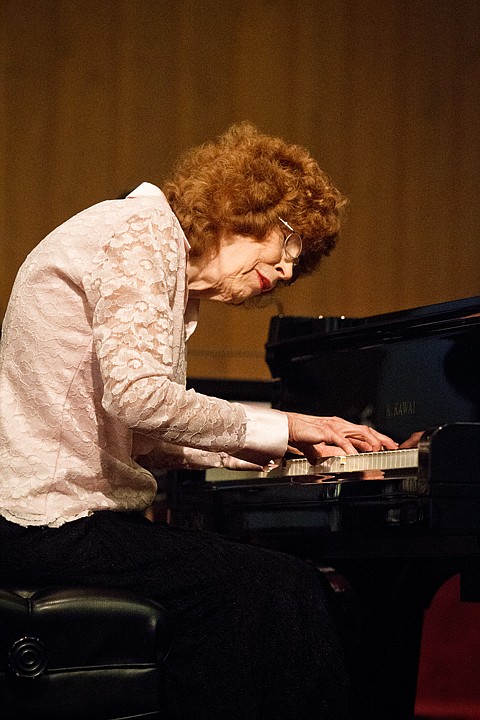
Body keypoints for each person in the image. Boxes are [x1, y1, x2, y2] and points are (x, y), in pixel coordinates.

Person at [0, 123, 397, 719]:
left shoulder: (156, 259)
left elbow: (137, 434)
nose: (289, 270)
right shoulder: (139, 234)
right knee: (273, 590)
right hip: (52, 524)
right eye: (288, 242)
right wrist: (286, 426)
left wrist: (257, 452)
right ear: (242, 205)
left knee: (289, 586)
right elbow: (138, 396)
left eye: (301, 262)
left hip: (65, 521)